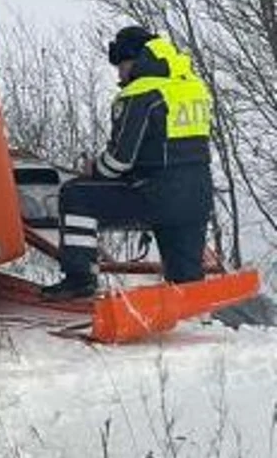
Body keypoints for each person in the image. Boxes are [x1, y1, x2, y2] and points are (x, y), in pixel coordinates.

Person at [42, 26, 216, 301]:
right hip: (198, 194)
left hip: (155, 192)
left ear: (132, 60)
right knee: (186, 280)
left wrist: (95, 169)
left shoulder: (141, 94)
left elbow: (120, 161)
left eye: (119, 65)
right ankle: (190, 310)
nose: (119, 74)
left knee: (76, 196)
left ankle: (79, 278)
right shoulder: (192, 88)